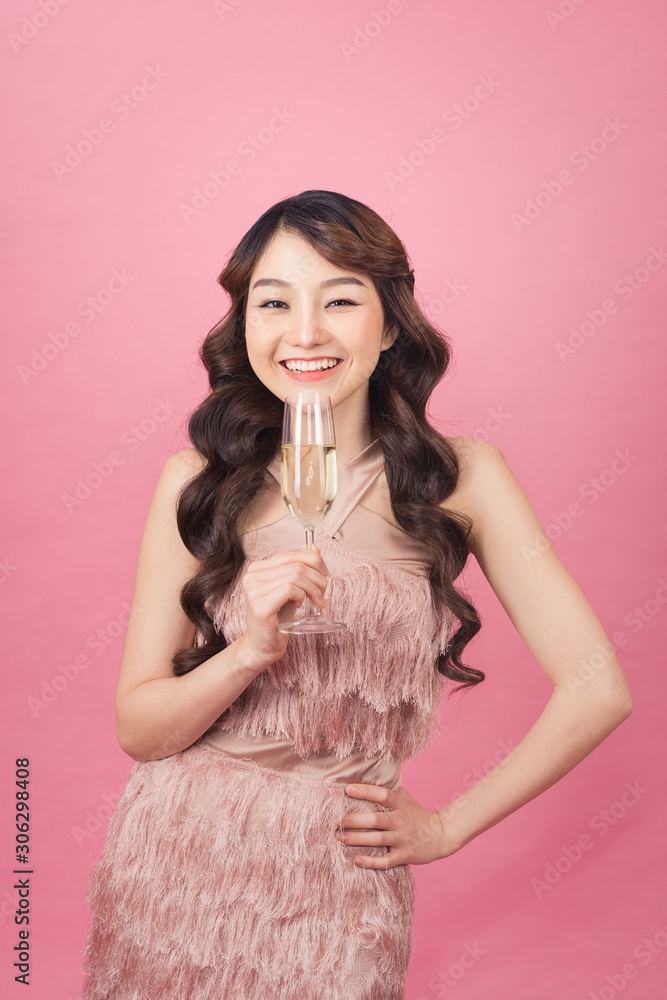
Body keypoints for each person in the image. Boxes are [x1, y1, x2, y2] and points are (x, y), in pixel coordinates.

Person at [79, 189, 633, 999]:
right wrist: (248, 653)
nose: (304, 332)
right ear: (246, 327)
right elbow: (141, 728)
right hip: (176, 862)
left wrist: (445, 827)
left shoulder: (460, 477)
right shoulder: (195, 484)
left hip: (340, 873)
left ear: (391, 324)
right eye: (274, 303)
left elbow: (597, 689)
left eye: (340, 300)